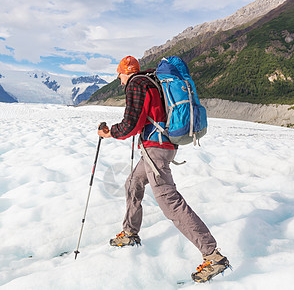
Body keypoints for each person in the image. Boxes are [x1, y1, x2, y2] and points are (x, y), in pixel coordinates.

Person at [97, 56, 229, 282]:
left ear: (124, 72)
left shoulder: (137, 85)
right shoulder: (151, 80)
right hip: (162, 146)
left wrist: (110, 133)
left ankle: (212, 255)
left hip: (156, 149)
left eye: (119, 75)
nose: (119, 81)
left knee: (169, 202)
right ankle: (130, 233)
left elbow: (132, 123)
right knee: (133, 183)